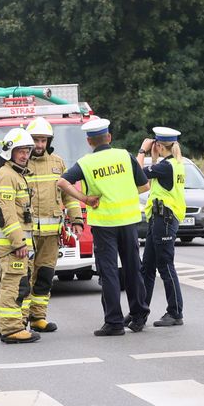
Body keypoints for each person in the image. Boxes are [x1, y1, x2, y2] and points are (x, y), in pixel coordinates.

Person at [56, 118, 150, 336]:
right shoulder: (125, 156)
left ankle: (114, 322)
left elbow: (61, 182)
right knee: (133, 269)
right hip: (128, 221)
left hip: (104, 224)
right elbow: (145, 185)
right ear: (109, 137)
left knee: (108, 273)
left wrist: (85, 199)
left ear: (89, 141)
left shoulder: (86, 163)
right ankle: (138, 316)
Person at [19, 117, 84, 333]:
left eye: (43, 140)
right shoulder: (19, 163)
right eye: (35, 140)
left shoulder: (58, 163)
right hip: (26, 234)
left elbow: (69, 194)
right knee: (24, 278)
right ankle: (20, 321)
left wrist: (76, 219)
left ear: (49, 141)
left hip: (51, 235)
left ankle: (38, 318)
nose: (39, 145)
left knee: (45, 277)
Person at [0, 128, 40, 344]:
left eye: (27, 150)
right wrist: (18, 242)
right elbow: (5, 211)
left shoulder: (17, 174)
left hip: (18, 245)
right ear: (8, 151)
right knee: (12, 286)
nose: (24, 155)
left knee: (19, 285)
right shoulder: (6, 175)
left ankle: (15, 326)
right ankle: (11, 330)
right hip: (13, 246)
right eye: (20, 151)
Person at [137, 127, 186, 327]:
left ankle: (175, 312)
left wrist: (142, 151)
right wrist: (155, 158)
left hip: (164, 220)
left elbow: (138, 174)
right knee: (147, 267)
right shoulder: (173, 164)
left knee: (165, 266)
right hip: (159, 220)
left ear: (158, 145)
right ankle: (139, 312)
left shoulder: (167, 167)